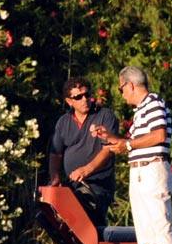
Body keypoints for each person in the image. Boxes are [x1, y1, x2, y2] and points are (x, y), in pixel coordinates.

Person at [91, 65, 172, 244]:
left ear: (130, 85)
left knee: (159, 225)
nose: (121, 94)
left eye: (121, 88)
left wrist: (128, 144)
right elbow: (138, 141)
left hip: (151, 169)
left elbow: (158, 135)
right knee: (144, 229)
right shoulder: (142, 109)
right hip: (140, 170)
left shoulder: (153, 103)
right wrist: (112, 138)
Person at [45, 76, 120, 230]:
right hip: (72, 185)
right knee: (51, 211)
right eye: (78, 97)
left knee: (83, 211)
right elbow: (56, 153)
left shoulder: (104, 116)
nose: (84, 99)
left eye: (87, 95)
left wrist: (87, 169)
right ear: (69, 101)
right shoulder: (63, 122)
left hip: (97, 185)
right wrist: (55, 178)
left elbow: (109, 149)